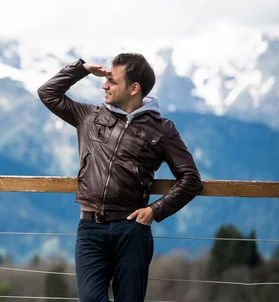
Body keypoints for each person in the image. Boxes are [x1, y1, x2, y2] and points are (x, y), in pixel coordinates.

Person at [37, 53, 203, 302]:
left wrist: (155, 211)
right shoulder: (89, 117)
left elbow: (191, 179)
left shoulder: (162, 129)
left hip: (132, 230)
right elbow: (47, 93)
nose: (104, 85)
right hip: (90, 228)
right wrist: (81, 69)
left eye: (112, 81)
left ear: (134, 88)